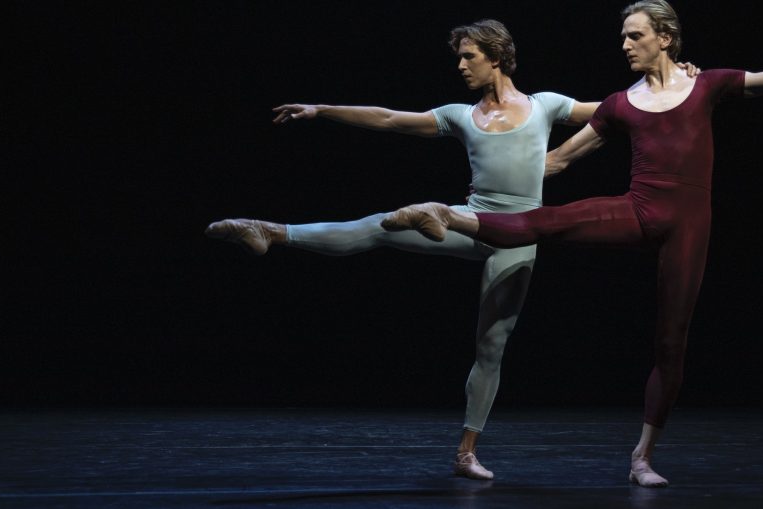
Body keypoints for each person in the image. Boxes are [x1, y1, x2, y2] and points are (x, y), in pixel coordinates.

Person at [382, 0, 763, 487]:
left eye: (635, 36)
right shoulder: (619, 105)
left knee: (671, 341)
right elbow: (558, 160)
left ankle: (642, 458)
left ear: (666, 38)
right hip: (637, 210)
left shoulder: (708, 85)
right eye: (624, 37)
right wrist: (494, 155)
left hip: (688, 226)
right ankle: (447, 214)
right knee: (547, 220)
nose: (626, 45)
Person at [205, 19, 698, 480]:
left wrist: (680, 76)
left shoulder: (546, 105)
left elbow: (628, 109)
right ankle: (271, 231)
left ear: (497, 57)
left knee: (491, 346)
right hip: (469, 222)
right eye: (459, 58)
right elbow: (388, 120)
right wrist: (321, 110)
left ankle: (466, 451)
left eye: (469, 57)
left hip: (520, 235)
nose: (461, 66)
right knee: (377, 226)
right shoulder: (460, 116)